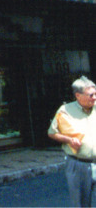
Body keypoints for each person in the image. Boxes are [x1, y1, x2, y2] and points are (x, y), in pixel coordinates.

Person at [49, 75, 96, 206]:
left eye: (95, 94)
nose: (94, 98)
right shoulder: (65, 111)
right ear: (78, 95)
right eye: (91, 95)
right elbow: (52, 133)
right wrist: (68, 139)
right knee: (81, 204)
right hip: (78, 164)